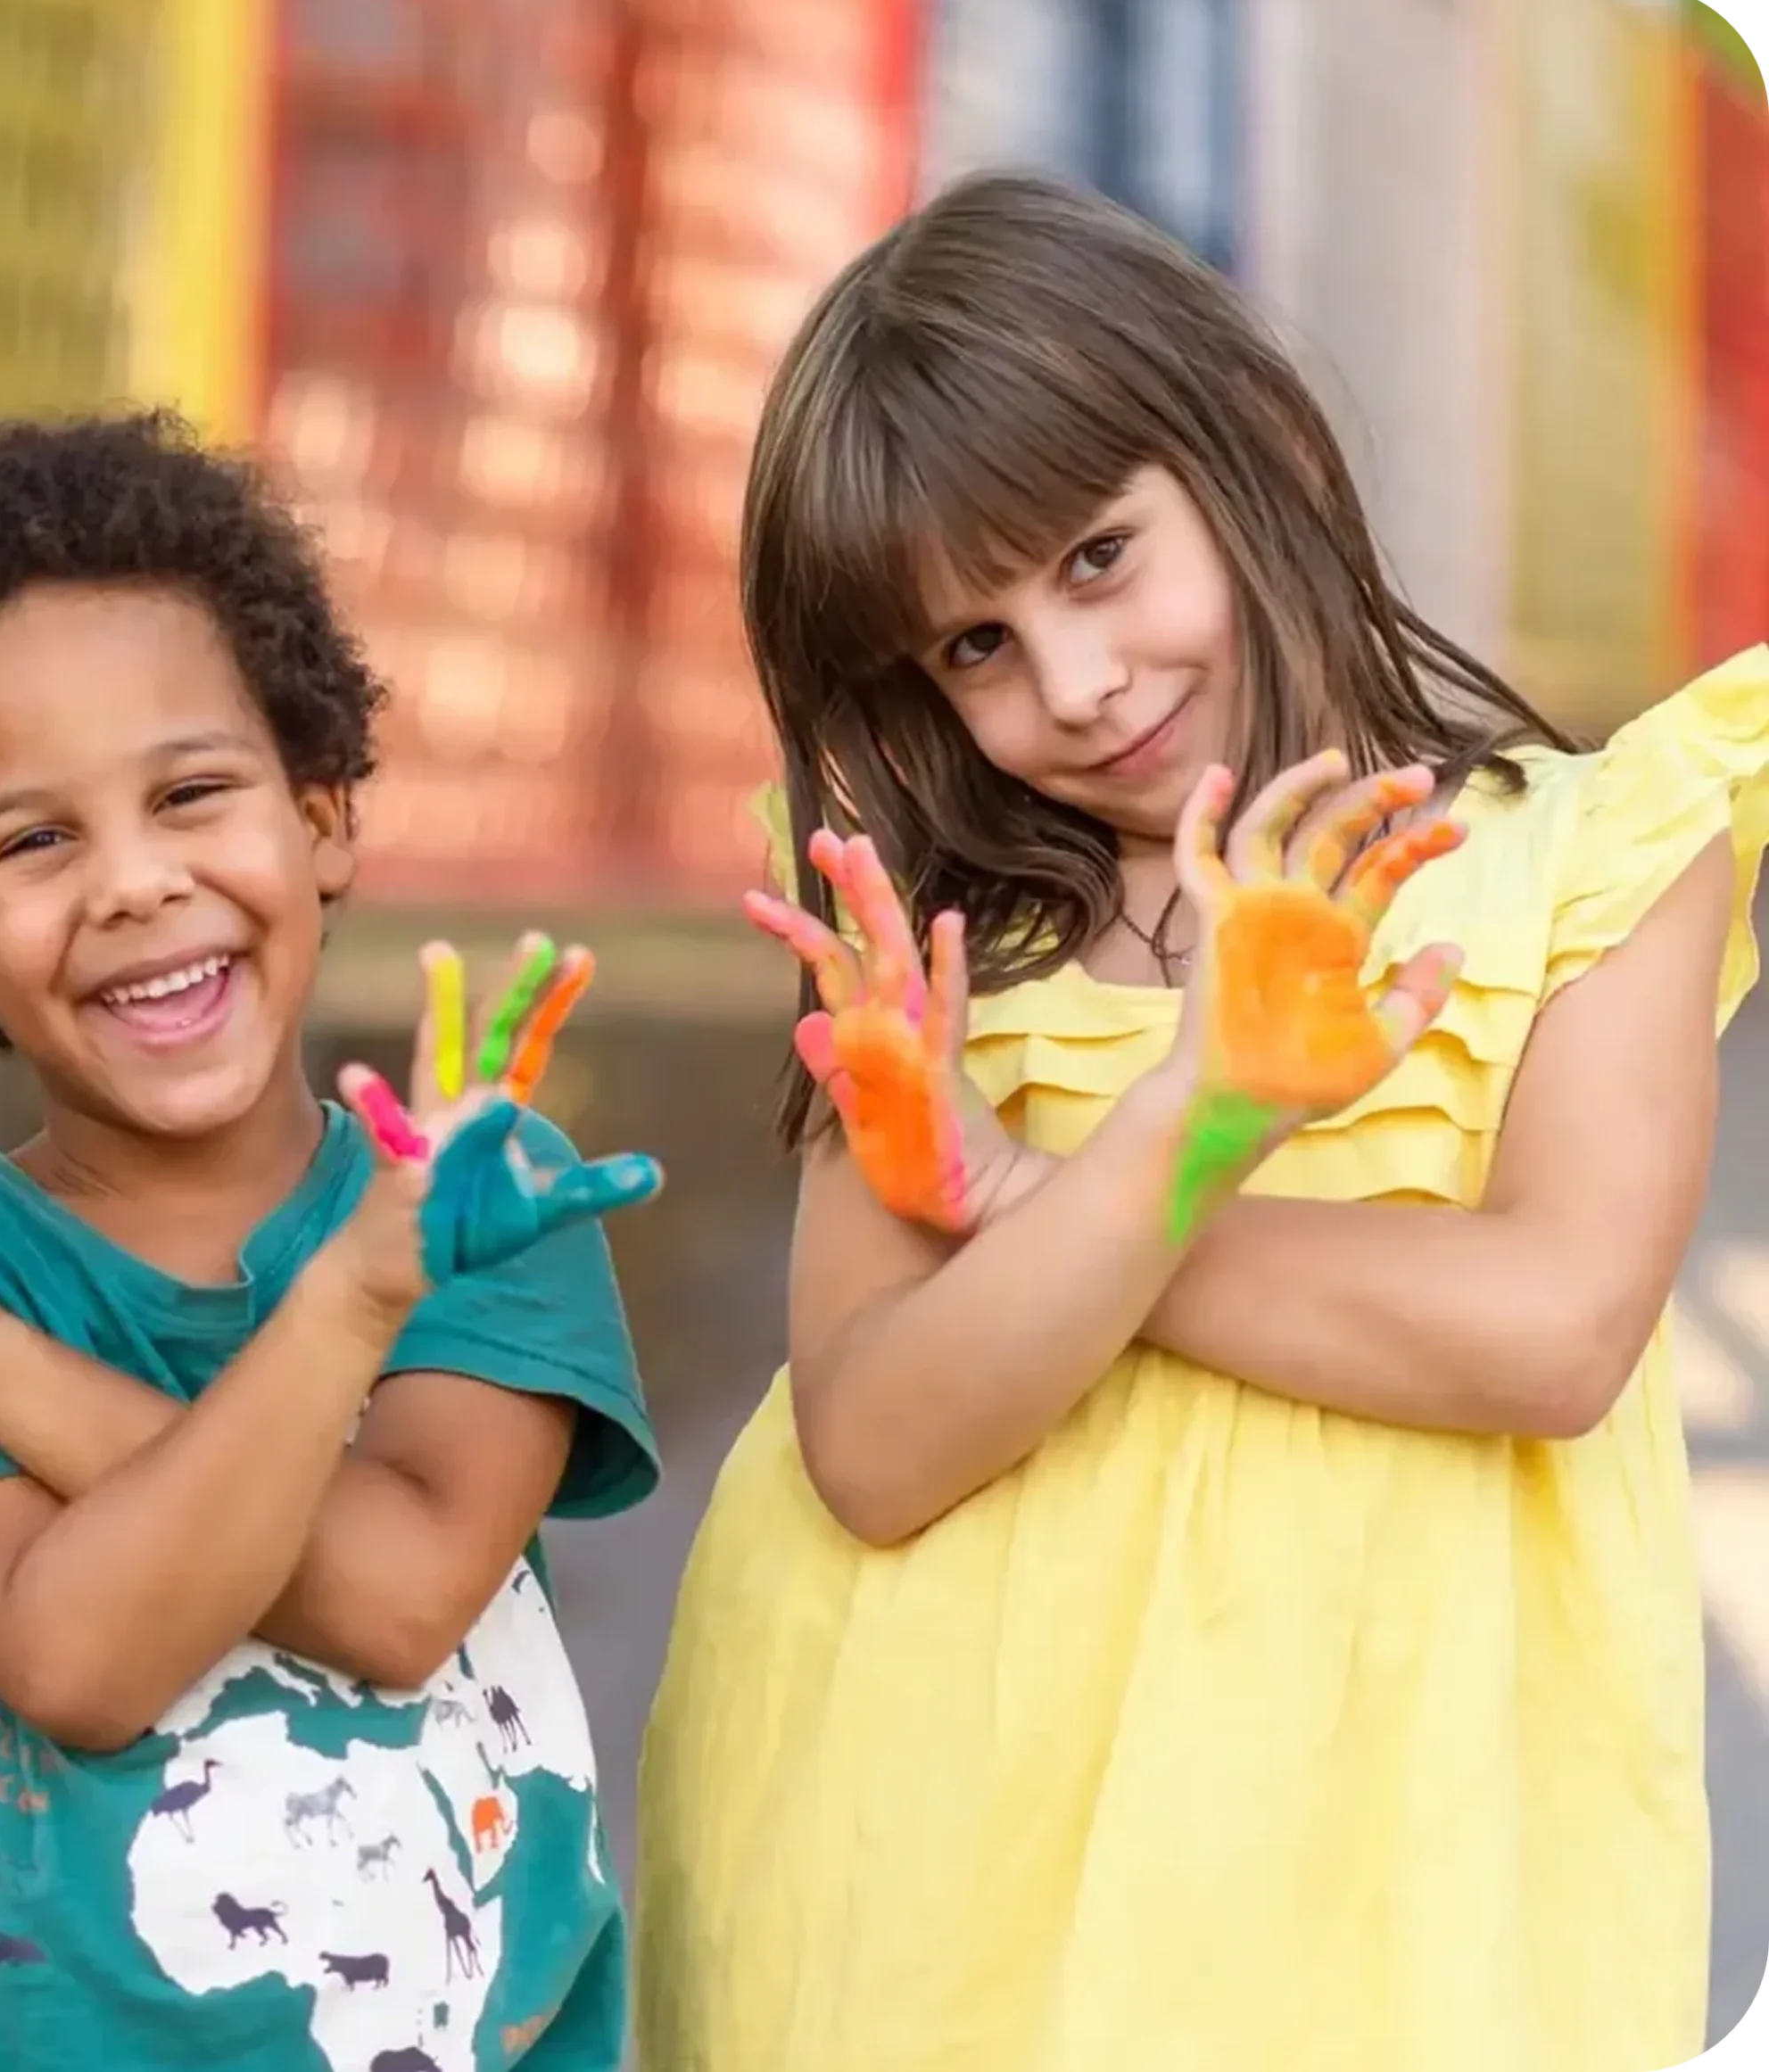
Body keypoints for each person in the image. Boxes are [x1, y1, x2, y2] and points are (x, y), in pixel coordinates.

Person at [635, 168, 1769, 2070]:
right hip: (922, 1856)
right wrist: (1188, 1115)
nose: (1076, 683)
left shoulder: (1600, 859)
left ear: (1253, 451)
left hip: (1404, 1865)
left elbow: (1550, 1331)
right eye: (970, 647)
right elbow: (879, 1444)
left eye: (1095, 554)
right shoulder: (937, 934)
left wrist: (1033, 1203)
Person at [0, 409, 670, 2072]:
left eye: (192, 792)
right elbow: (78, 1653)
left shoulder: (478, 1202)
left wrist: (14, 1355)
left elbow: (398, 1596)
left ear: (323, 815)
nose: (135, 882)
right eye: (34, 840)